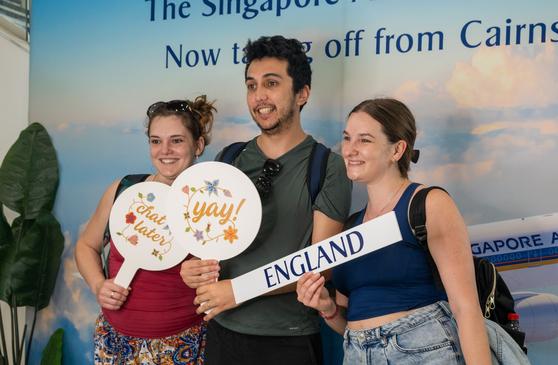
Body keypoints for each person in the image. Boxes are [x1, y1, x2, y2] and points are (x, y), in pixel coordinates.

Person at [297, 98, 530, 364]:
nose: (349, 150)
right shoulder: (349, 228)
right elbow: (352, 323)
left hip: (426, 353)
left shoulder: (428, 205)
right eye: (347, 138)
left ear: (397, 150)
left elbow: (466, 309)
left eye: (364, 140)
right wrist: (327, 309)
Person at [179, 36, 352, 364]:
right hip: (222, 331)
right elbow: (209, 245)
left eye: (271, 83)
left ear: (302, 93)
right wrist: (194, 270)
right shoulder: (228, 159)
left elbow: (322, 265)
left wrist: (238, 289)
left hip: (287, 339)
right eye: (251, 85)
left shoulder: (327, 166)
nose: (259, 96)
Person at [75, 95, 216, 364]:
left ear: (197, 145)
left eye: (176, 140)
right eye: (155, 141)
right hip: (115, 343)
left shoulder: (211, 206)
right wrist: (97, 284)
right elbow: (85, 246)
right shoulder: (123, 190)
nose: (165, 150)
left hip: (183, 345)